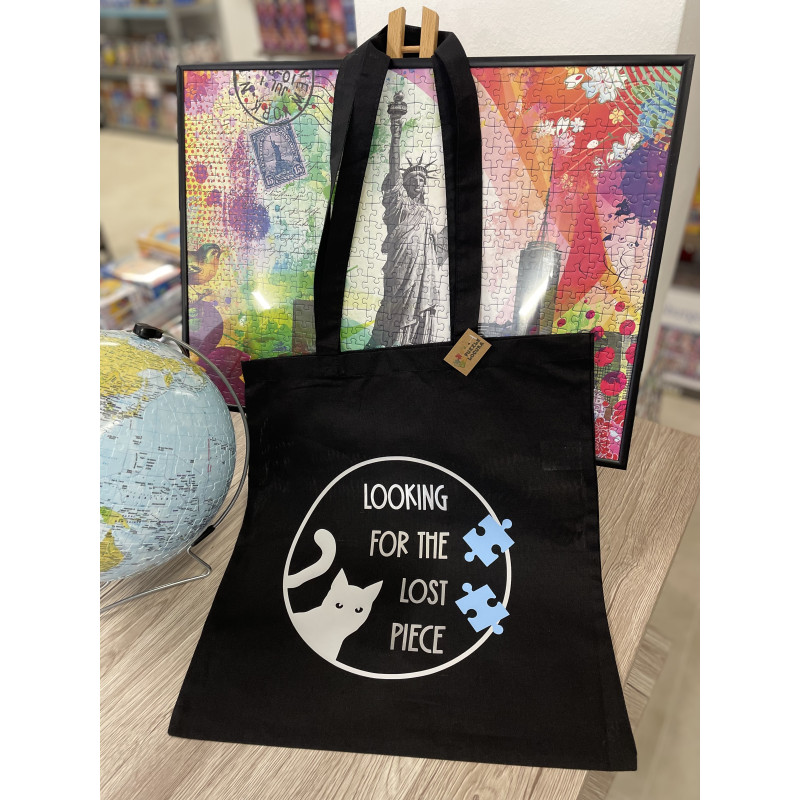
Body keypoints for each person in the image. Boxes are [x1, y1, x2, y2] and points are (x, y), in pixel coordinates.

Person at [368, 92, 448, 348]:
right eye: (412, 179)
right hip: (400, 265)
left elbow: (437, 249)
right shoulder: (399, 203)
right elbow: (394, 169)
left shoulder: (426, 213)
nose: (417, 182)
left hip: (424, 272)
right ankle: (388, 345)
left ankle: (413, 347)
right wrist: (396, 129)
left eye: (422, 180)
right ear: (403, 184)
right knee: (393, 305)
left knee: (419, 314)